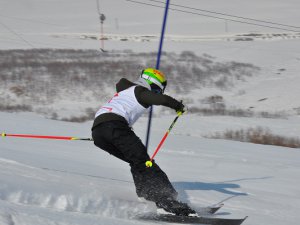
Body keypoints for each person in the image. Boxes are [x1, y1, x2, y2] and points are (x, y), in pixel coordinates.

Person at [91, 68, 196, 216]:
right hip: (115, 127)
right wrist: (179, 106)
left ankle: (145, 193)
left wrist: (107, 132)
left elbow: (120, 86)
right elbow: (162, 100)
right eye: (157, 90)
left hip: (99, 132)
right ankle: (167, 203)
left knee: (137, 161)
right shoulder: (140, 92)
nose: (156, 94)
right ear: (151, 85)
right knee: (145, 163)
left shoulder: (124, 91)